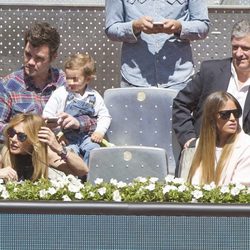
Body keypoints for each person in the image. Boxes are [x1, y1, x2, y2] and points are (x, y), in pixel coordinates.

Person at [0, 21, 96, 143]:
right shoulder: (9, 85)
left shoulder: (65, 82)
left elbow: (95, 119)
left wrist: (77, 123)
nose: (30, 62)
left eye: (39, 58)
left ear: (53, 57)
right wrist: (26, 132)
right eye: (28, 54)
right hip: (24, 155)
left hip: (62, 151)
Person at [173, 19, 250, 154]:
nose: (238, 53)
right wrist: (189, 139)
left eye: (245, 48)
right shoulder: (210, 72)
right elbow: (181, 104)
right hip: (206, 152)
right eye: (235, 47)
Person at [105, 0, 210, 89]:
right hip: (135, 79)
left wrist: (179, 27)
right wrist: (135, 27)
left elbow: (203, 26)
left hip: (179, 80)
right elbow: (111, 29)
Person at [43, 53, 111, 164]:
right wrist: (58, 134)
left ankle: (89, 177)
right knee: (70, 154)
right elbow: (48, 115)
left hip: (87, 136)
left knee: (93, 150)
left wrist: (99, 131)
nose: (70, 82)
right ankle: (71, 179)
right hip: (67, 138)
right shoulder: (60, 93)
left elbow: (104, 116)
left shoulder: (94, 96)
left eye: (75, 79)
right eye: (67, 78)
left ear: (88, 79)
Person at [0, 113, 89, 182]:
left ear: (33, 138)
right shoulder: (4, 152)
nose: (13, 139)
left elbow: (82, 170)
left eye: (21, 136)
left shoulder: (45, 154)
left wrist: (58, 148)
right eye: (11, 133)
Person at [186, 91, 250, 186]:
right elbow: (194, 183)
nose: (233, 118)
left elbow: (240, 190)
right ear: (212, 118)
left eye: (236, 113)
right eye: (225, 114)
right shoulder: (200, 143)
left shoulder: (246, 145)